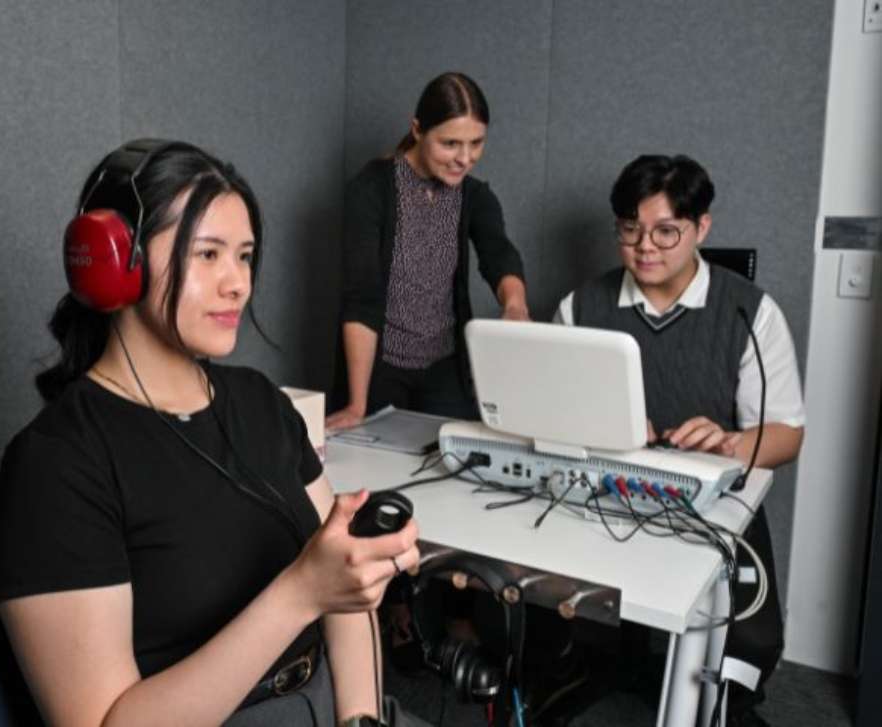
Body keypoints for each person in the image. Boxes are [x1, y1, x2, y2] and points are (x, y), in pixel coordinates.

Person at [0, 140, 420, 727]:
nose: (238, 283)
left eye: (244, 256)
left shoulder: (261, 402)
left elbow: (338, 586)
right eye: (208, 254)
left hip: (332, 707)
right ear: (120, 264)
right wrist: (298, 595)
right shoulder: (57, 464)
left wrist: (361, 718)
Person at [554, 154, 805, 725]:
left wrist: (730, 444)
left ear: (702, 228)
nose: (646, 247)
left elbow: (788, 436)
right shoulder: (580, 308)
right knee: (579, 636)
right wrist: (602, 429)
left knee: (747, 647)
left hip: (717, 510)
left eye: (667, 231)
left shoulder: (751, 312)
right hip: (608, 500)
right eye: (630, 230)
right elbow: (553, 418)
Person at [328, 72, 530, 429]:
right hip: (379, 370)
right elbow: (361, 298)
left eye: (476, 143)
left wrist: (514, 304)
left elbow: (499, 254)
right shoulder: (371, 190)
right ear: (418, 130)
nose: (464, 158)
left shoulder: (475, 196)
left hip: (445, 369)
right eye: (450, 143)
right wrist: (357, 404)